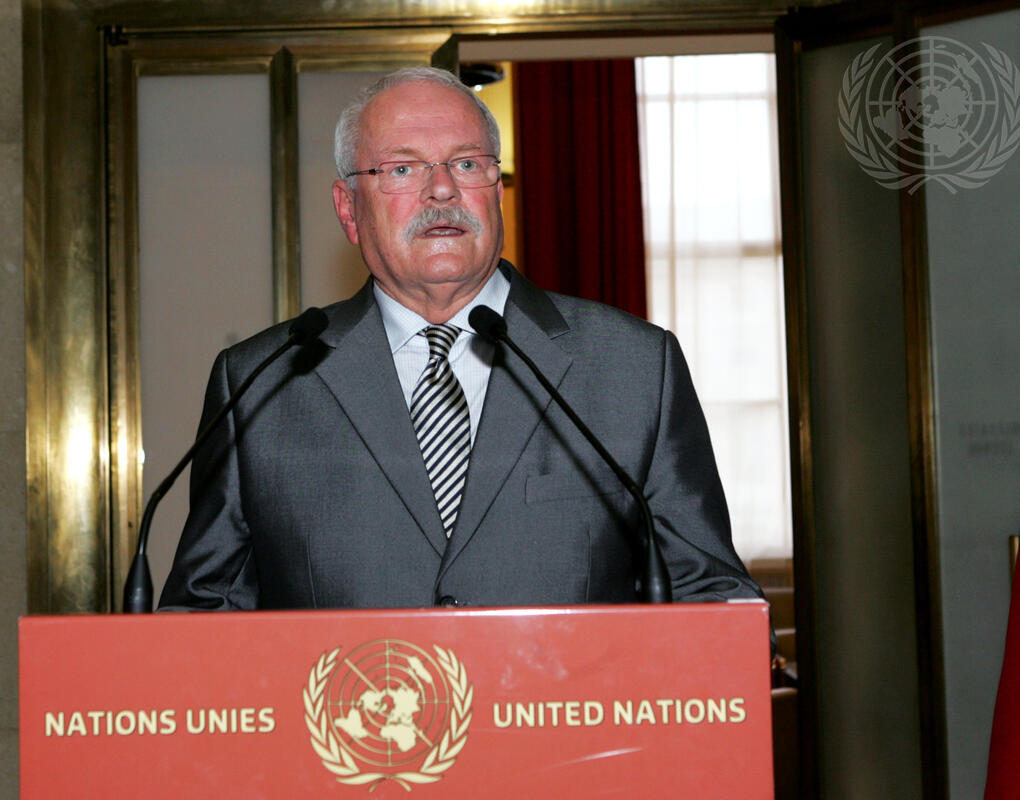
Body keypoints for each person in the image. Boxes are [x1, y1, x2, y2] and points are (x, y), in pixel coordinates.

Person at [158, 66, 762, 610]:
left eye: (467, 163)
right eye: (402, 169)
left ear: (495, 190)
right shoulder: (261, 384)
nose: (442, 189)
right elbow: (202, 618)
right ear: (348, 209)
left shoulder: (633, 367)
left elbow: (713, 599)